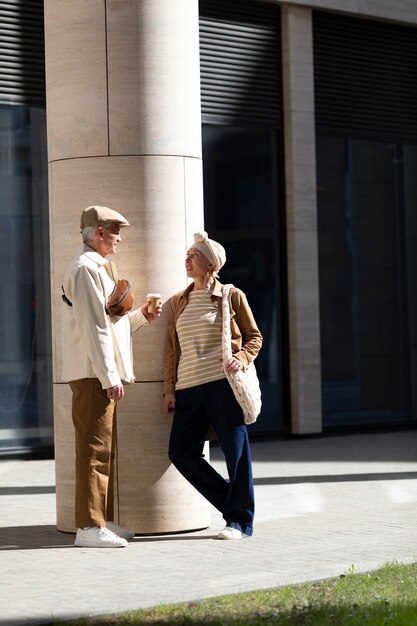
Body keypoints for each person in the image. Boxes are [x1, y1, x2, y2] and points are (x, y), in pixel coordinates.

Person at [61, 205, 162, 548]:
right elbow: (93, 329)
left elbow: (110, 326)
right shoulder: (85, 270)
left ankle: (100, 522)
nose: (120, 238)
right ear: (100, 233)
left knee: (103, 450)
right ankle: (89, 528)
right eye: (116, 231)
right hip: (93, 375)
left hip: (98, 373)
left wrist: (142, 317)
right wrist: (108, 376)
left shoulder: (98, 269)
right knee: (94, 450)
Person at [163, 231, 262, 540]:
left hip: (222, 385)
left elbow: (254, 337)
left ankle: (240, 522)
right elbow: (170, 348)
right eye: (187, 255)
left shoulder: (232, 295)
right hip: (188, 388)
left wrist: (241, 359)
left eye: (193, 256)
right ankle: (232, 505)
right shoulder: (179, 300)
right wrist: (169, 389)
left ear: (209, 263)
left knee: (236, 454)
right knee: (180, 452)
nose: (187, 260)